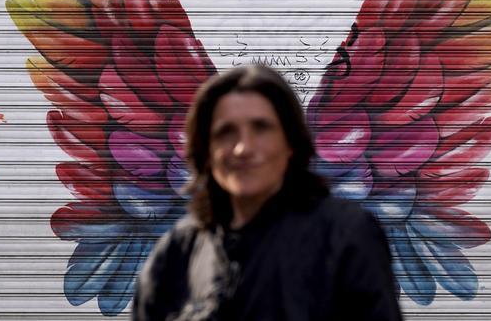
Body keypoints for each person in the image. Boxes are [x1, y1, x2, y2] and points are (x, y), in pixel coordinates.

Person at [132, 65, 403, 321]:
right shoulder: (177, 251)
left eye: (261, 128)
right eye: (225, 132)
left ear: (291, 143)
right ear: (206, 152)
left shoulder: (346, 235)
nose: (243, 148)